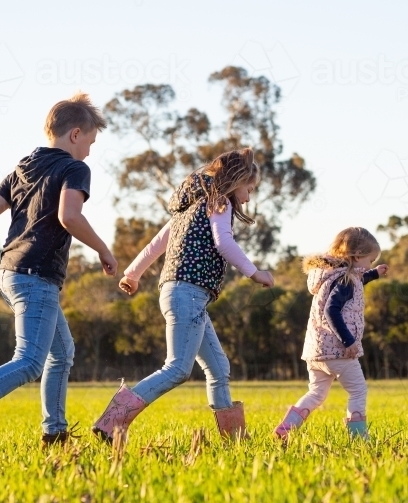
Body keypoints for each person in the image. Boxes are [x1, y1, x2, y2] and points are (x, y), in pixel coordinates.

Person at [0, 93, 117, 451]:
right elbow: (70, 217)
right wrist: (104, 250)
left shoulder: (23, 167)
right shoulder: (75, 168)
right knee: (30, 361)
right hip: (37, 276)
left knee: (61, 353)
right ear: (75, 135)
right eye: (90, 142)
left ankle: (55, 432)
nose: (90, 152)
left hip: (9, 273)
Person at [91, 148, 273, 442]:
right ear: (236, 180)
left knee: (218, 368)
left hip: (181, 294)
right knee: (177, 368)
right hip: (188, 294)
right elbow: (224, 243)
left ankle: (235, 439)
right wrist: (255, 273)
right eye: (249, 188)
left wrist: (132, 274)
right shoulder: (219, 204)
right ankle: (113, 420)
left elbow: (156, 244)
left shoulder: (188, 211)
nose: (249, 197)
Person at [273, 227, 387, 441]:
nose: (369, 266)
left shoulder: (332, 275)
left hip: (316, 351)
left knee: (316, 394)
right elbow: (332, 310)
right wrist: (349, 341)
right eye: (370, 261)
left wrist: (374, 274)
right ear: (357, 256)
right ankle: (359, 437)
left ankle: (286, 428)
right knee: (358, 391)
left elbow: (357, 280)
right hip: (339, 350)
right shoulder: (345, 280)